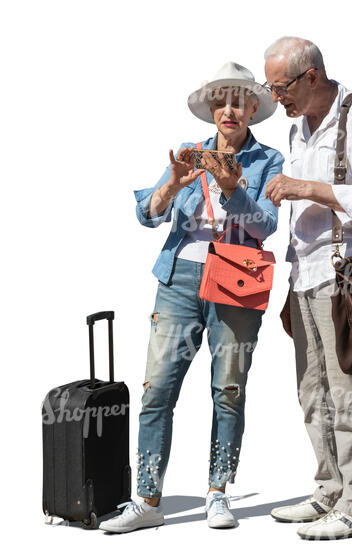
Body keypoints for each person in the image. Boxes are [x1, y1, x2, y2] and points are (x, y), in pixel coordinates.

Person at [99, 62, 283, 533]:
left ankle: (218, 492)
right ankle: (147, 498)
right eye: (221, 102)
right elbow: (147, 213)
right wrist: (173, 185)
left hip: (236, 280)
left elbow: (266, 226)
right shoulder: (189, 153)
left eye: (239, 102)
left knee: (228, 390)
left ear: (253, 109)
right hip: (180, 277)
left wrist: (231, 189)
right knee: (157, 389)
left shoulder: (269, 161)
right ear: (210, 110)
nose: (229, 110)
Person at [263, 37, 352, 540]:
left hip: (347, 277)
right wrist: (289, 289)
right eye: (271, 89)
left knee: (349, 394)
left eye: (281, 88)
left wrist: (305, 187)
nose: (277, 99)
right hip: (307, 277)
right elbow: (302, 221)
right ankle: (330, 490)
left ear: (310, 76)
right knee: (311, 392)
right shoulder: (299, 126)